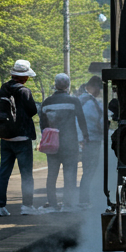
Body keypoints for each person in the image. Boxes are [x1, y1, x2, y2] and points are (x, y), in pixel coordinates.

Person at [0, 59, 38, 217]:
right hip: (22, 138)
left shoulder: (3, 88)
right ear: (25, 77)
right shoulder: (24, 91)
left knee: (3, 173)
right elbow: (32, 110)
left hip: (5, 137)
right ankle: (27, 206)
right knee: (26, 174)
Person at [39, 73, 89, 212]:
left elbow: (43, 125)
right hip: (70, 143)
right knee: (70, 173)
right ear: (68, 85)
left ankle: (53, 204)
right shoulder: (74, 101)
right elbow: (81, 120)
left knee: (52, 174)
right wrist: (85, 137)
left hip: (52, 144)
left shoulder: (46, 102)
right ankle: (67, 204)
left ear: (55, 85)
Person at [78, 75, 104, 207]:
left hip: (83, 140)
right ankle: (85, 199)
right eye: (99, 88)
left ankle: (84, 198)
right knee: (90, 171)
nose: (99, 91)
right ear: (94, 87)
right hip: (92, 140)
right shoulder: (90, 102)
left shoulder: (80, 100)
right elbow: (98, 121)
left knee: (87, 170)